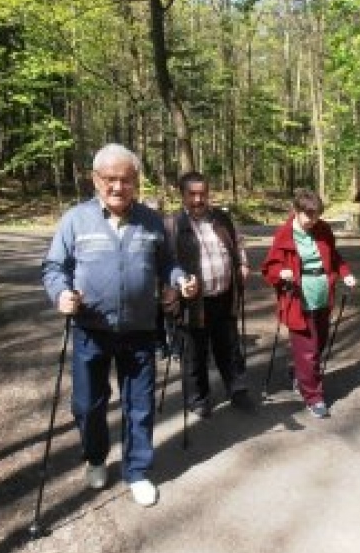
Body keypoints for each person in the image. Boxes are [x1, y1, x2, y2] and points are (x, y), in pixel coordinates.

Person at [42, 143, 197, 507]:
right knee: (87, 405)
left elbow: (167, 264)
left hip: (140, 330)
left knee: (139, 404)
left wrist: (179, 280)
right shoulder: (75, 220)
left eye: (126, 180)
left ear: (135, 182)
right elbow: (53, 268)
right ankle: (96, 457)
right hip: (90, 330)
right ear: (95, 180)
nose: (118, 187)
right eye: (110, 179)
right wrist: (61, 294)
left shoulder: (151, 221)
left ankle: (137, 471)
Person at [261, 189, 356, 418]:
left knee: (319, 343)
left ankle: (298, 373)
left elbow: (334, 256)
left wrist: (345, 273)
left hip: (322, 295)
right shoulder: (284, 234)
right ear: (296, 211)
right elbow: (269, 268)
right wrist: (281, 272)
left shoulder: (323, 229)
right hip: (298, 299)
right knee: (308, 351)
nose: (313, 221)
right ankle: (313, 396)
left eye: (317, 215)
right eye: (309, 216)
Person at [164, 172, 251, 418]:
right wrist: (176, 290)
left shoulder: (222, 219)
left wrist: (242, 265)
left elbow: (238, 243)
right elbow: (164, 263)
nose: (198, 199)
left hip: (224, 295)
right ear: (182, 195)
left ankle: (238, 390)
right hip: (192, 301)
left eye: (203, 193)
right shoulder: (172, 225)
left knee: (230, 347)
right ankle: (198, 399)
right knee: (194, 352)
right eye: (192, 194)